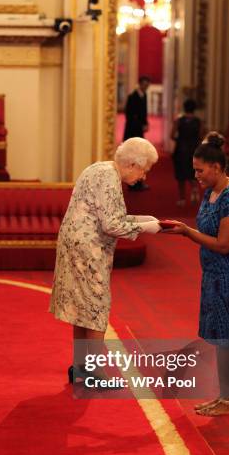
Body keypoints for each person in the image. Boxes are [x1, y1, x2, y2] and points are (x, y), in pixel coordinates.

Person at [50, 137, 160, 384]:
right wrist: (147, 227)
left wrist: (143, 219)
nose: (144, 177)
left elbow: (110, 215)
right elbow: (111, 224)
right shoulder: (109, 179)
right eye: (145, 170)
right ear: (133, 164)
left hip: (75, 244)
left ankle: (80, 367)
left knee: (82, 307)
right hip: (88, 250)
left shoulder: (100, 168)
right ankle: (95, 373)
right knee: (97, 305)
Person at [164, 132, 229, 416]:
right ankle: (224, 397)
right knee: (220, 337)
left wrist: (187, 232)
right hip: (216, 274)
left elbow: (223, 244)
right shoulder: (211, 191)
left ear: (217, 168)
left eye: (200, 170)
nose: (196, 175)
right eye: (194, 170)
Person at [170, 98, 202, 206]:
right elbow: (201, 137)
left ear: (184, 108)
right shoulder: (198, 121)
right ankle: (194, 189)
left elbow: (172, 135)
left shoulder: (179, 120)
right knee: (192, 173)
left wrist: (179, 140)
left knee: (180, 176)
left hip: (180, 150)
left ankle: (182, 199)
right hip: (193, 150)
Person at [123, 76, 151, 191]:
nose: (146, 86)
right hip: (132, 131)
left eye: (147, 85)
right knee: (133, 158)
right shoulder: (132, 97)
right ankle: (132, 183)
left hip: (139, 131)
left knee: (140, 158)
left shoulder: (144, 95)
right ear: (139, 84)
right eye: (144, 84)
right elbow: (129, 115)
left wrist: (145, 123)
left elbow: (143, 113)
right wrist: (140, 124)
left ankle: (138, 182)